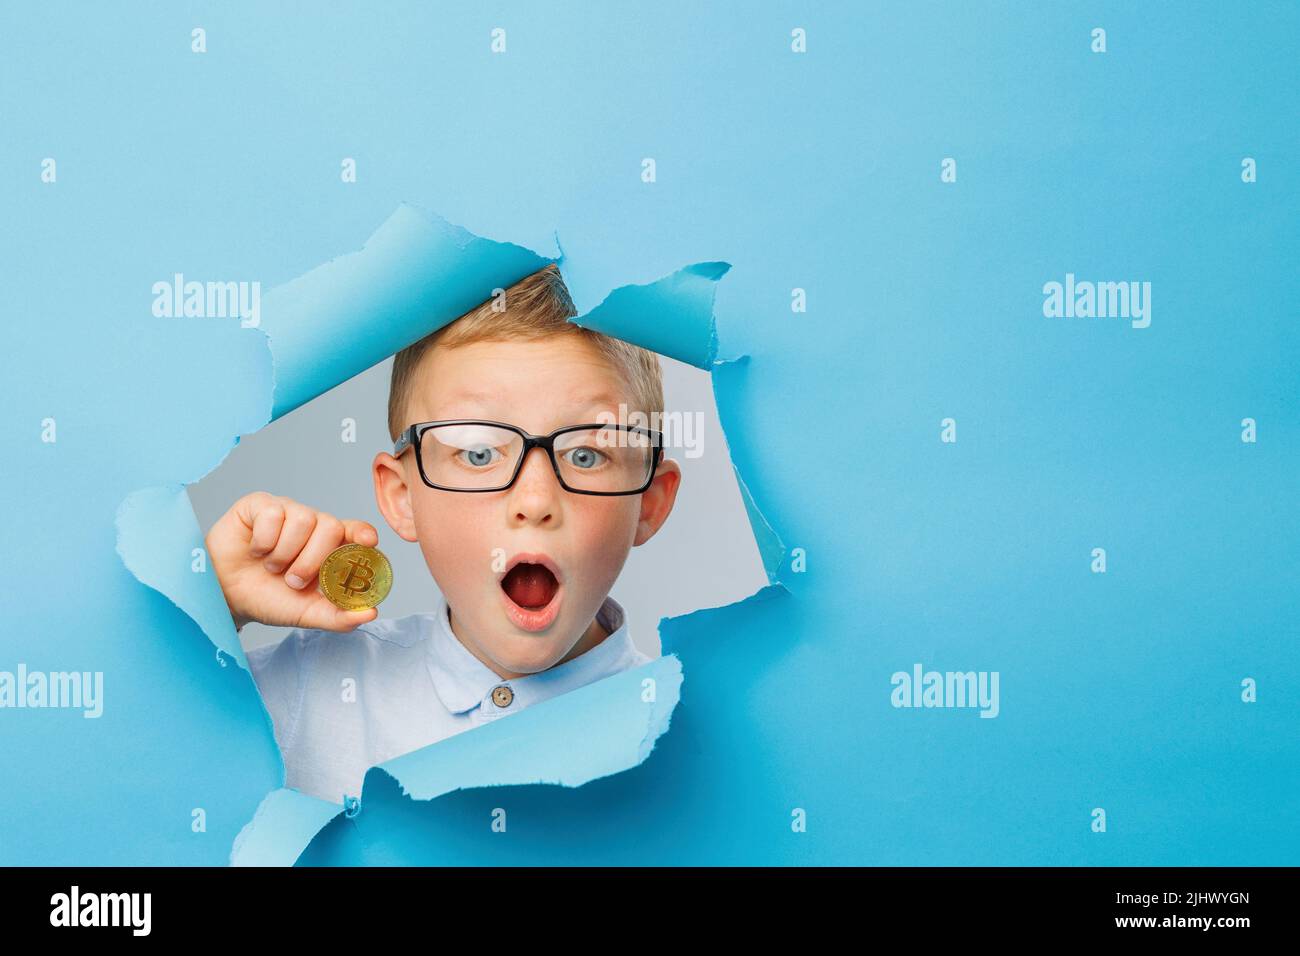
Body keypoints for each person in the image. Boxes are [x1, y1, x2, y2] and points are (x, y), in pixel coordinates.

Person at [204, 264, 682, 804]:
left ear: (649, 500)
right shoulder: (307, 690)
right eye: (477, 453)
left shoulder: (698, 741)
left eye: (586, 454)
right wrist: (208, 608)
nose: (534, 501)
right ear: (402, 497)